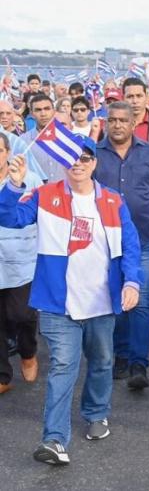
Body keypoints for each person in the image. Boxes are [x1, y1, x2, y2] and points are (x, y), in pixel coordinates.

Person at [0, 137, 140, 466]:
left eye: (86, 157)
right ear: (64, 162)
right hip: (58, 304)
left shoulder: (113, 200)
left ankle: (95, 411)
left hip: (102, 302)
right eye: (72, 158)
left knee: (102, 361)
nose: (78, 162)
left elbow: (131, 245)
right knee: (63, 366)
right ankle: (54, 439)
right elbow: (10, 218)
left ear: (94, 163)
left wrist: (132, 281)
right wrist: (12, 183)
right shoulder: (45, 195)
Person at [94, 101, 149, 390]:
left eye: (122, 120)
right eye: (112, 120)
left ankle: (139, 363)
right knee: (116, 301)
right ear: (106, 122)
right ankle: (121, 354)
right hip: (104, 242)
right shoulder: (91, 155)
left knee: (141, 303)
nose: (117, 125)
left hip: (144, 239)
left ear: (133, 123)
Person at [0, 132, 42, 395]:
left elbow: (37, 216)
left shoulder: (30, 180)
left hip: (22, 261)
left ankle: (28, 350)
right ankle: (3, 375)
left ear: (7, 152)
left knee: (20, 314)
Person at [21, 93, 67, 183]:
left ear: (53, 111)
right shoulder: (23, 141)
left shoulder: (67, 138)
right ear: (32, 113)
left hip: (64, 193)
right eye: (38, 110)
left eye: (47, 109)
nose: (43, 114)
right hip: (36, 194)